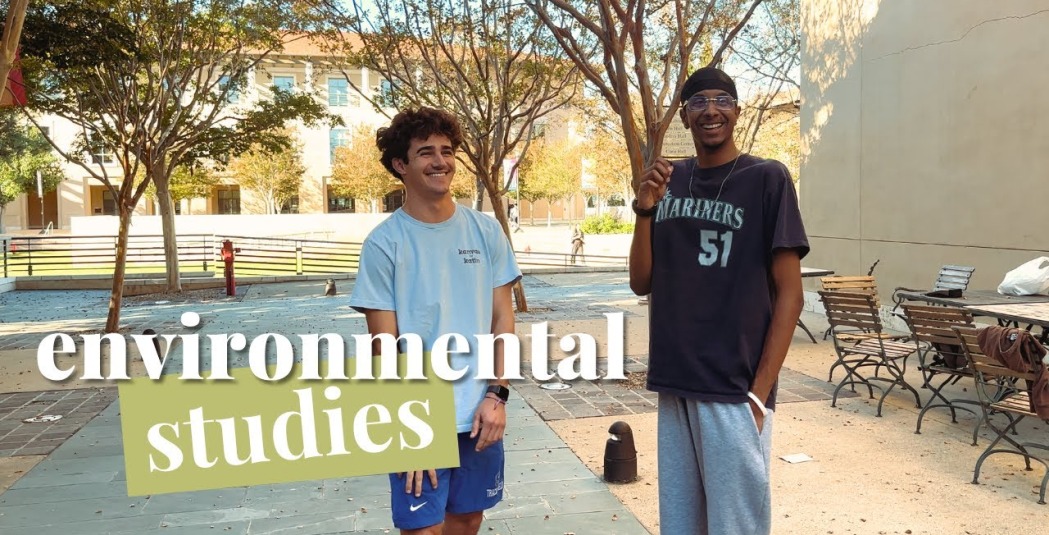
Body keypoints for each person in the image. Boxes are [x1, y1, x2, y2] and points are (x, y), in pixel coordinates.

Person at [628, 67, 808, 535]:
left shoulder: (767, 178)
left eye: (722, 100)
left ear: (737, 111)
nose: (711, 110)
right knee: (682, 525)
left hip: (734, 385)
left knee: (737, 526)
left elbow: (791, 292)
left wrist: (758, 392)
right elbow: (640, 282)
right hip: (677, 380)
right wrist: (645, 208)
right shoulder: (670, 178)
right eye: (699, 102)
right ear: (685, 116)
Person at [349, 107, 521, 535]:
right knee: (423, 530)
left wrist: (498, 394)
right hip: (418, 414)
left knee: (465, 521)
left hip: (479, 412)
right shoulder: (384, 244)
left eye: (447, 150)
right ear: (400, 165)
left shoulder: (485, 231)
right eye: (426, 152)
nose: (440, 161)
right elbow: (384, 348)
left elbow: (503, 320)